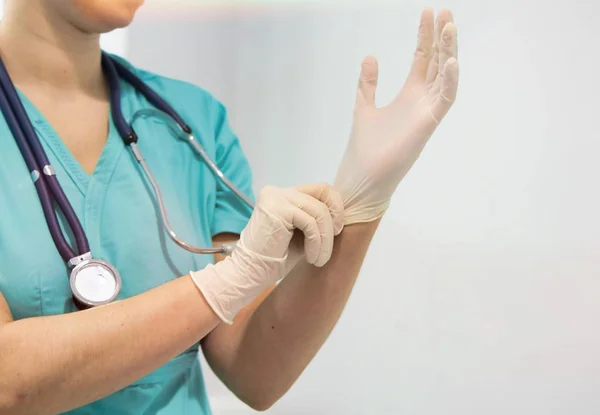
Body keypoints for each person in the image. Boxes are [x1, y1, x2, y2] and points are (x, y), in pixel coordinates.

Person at [0, 1, 459, 414]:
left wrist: (364, 199)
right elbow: (7, 380)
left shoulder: (190, 120)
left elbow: (255, 372)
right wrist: (226, 283)